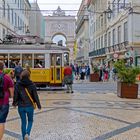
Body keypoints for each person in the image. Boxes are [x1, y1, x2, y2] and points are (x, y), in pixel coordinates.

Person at [13, 70, 41, 140]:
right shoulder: (32, 85)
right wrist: (38, 105)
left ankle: (23, 138)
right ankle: (27, 134)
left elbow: (15, 95)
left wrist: (14, 103)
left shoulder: (17, 84)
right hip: (30, 106)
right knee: (30, 121)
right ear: (29, 76)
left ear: (21, 76)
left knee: (23, 122)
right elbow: (35, 96)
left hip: (21, 106)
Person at [0, 61, 14, 140]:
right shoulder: (7, 78)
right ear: (3, 68)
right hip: (4, 102)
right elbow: (12, 93)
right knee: (1, 122)